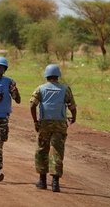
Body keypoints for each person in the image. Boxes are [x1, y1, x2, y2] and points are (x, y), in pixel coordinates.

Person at [30, 64, 77, 193]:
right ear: (58, 76)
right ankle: (55, 183)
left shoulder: (40, 89)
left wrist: (35, 121)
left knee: (42, 150)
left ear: (46, 75)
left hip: (44, 123)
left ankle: (42, 181)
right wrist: (74, 118)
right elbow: (72, 107)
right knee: (57, 151)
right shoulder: (65, 89)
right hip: (60, 124)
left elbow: (32, 106)